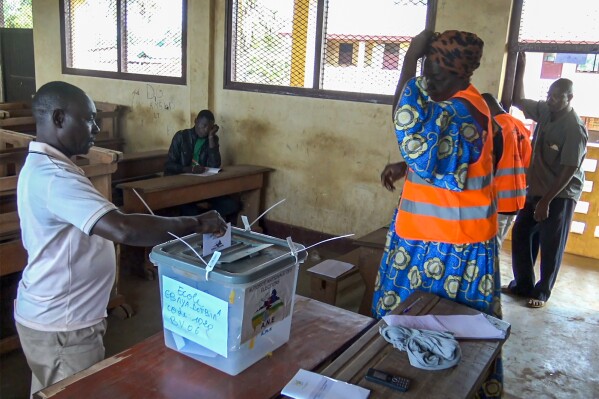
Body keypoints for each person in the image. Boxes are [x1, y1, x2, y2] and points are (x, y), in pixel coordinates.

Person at [15, 81, 228, 396]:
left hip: (62, 318)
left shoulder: (55, 167)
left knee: (51, 390)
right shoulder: (54, 177)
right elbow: (123, 229)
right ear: (59, 118)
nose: (97, 128)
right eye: (88, 119)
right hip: (62, 325)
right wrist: (197, 222)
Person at [373, 30, 502, 398]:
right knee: (415, 336)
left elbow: (409, 123)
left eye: (434, 74)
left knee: (443, 345)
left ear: (461, 76)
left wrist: (409, 62)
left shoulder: (464, 110)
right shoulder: (459, 104)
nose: (428, 82)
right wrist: (407, 166)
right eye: (427, 73)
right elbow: (440, 158)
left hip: (450, 250)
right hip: (433, 238)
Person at [504, 53, 588, 308]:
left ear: (569, 98)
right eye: (549, 95)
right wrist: (521, 67)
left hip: (560, 194)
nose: (550, 100)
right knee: (521, 233)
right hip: (537, 189)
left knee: (551, 243)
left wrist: (546, 202)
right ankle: (523, 285)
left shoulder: (573, 128)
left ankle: (541, 292)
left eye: (556, 97)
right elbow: (518, 100)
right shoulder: (546, 111)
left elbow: (569, 168)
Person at [164, 110, 241, 221]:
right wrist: (189, 169)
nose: (205, 130)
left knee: (231, 205)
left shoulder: (212, 139)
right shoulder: (181, 137)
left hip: (201, 185)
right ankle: (200, 222)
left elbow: (214, 165)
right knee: (191, 212)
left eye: (209, 128)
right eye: (203, 126)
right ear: (196, 121)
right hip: (180, 186)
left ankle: (206, 219)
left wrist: (211, 138)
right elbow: (169, 165)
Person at [482, 93, 532, 248]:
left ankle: (490, 273)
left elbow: (488, 165)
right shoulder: (518, 125)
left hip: (497, 199)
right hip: (516, 199)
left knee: (489, 249)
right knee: (496, 245)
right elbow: (528, 163)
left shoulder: (495, 127)